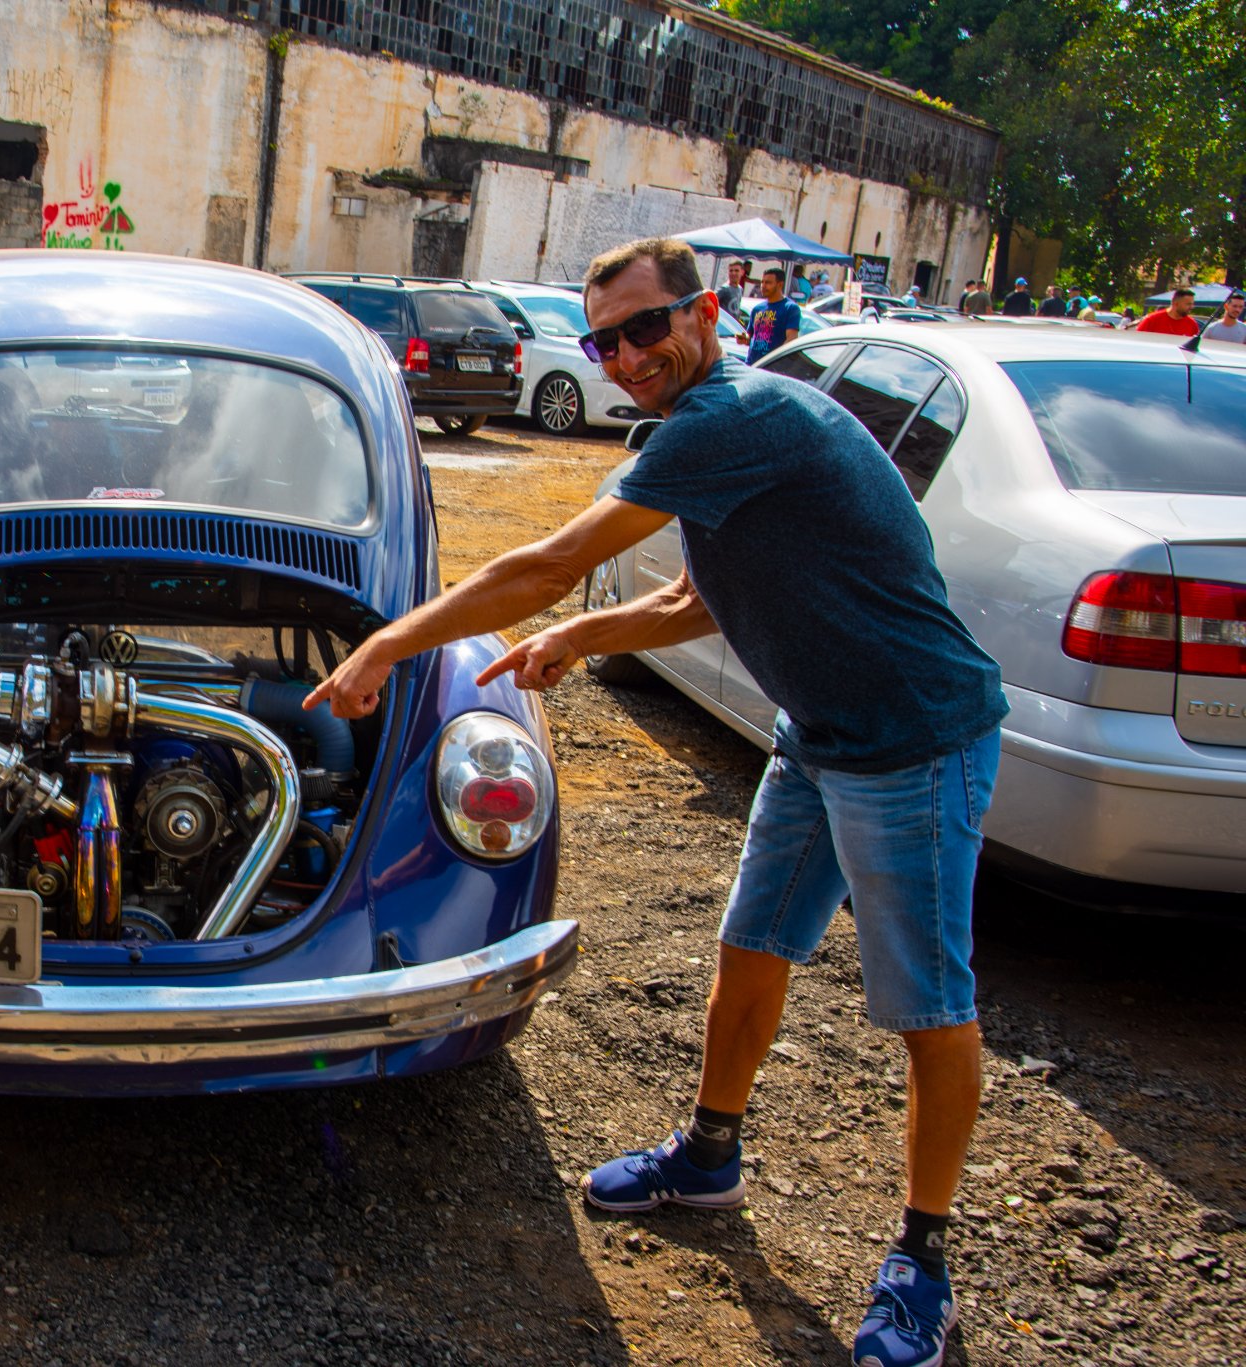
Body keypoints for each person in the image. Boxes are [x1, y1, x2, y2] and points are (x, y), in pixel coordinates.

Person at [303, 235, 1007, 1367]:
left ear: (705, 313)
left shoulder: (734, 416)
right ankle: (708, 1154)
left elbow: (544, 560)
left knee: (926, 1003)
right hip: (816, 733)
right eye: (602, 340)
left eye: (643, 327)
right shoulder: (719, 427)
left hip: (913, 739)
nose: (624, 356)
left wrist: (388, 640)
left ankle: (923, 1260)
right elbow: (694, 595)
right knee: (752, 945)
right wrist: (585, 634)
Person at [745, 267, 800, 363]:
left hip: (772, 367)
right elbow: (750, 336)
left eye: (768, 283)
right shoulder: (757, 309)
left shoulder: (790, 308)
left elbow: (791, 339)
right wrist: (743, 338)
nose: (763, 286)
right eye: (762, 282)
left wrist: (773, 361)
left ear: (780, 285)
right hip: (751, 365)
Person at [1137, 287, 1202, 336]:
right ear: (1175, 303)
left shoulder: (1192, 325)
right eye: (1188, 304)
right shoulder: (1152, 320)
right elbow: (1138, 341)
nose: (1192, 307)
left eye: (1192, 304)